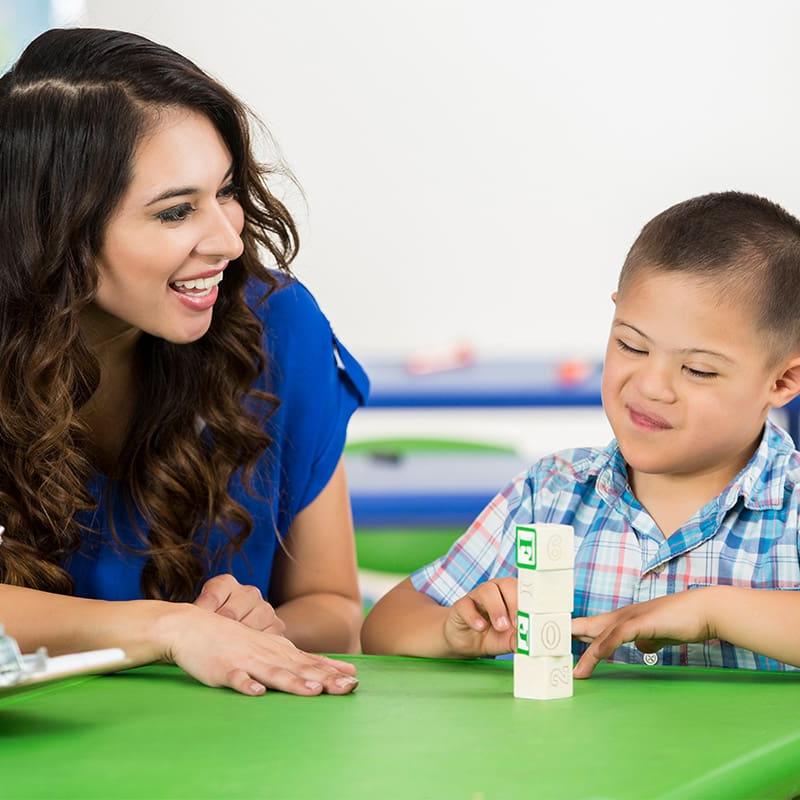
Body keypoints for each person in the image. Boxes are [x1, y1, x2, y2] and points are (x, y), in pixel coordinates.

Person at [0, 28, 370, 697]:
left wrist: (258, 632)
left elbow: (335, 611)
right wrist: (169, 629)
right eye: (175, 211)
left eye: (225, 190)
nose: (229, 239)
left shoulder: (277, 326)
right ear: (53, 227)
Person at [362, 191, 800, 675]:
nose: (652, 387)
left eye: (697, 370)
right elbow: (385, 625)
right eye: (631, 345)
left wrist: (717, 610)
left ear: (782, 381)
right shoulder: (550, 493)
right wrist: (451, 632)